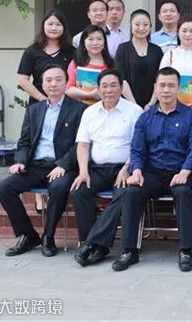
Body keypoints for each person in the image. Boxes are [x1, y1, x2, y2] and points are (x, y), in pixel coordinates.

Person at [82, 67, 192, 272]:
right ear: (155, 88)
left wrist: (185, 171)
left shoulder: (191, 117)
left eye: (171, 85)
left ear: (179, 88)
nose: (166, 90)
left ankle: (185, 250)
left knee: (183, 193)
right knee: (132, 192)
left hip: (180, 173)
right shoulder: (146, 118)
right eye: (162, 85)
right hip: (152, 173)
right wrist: (136, 170)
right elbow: (137, 149)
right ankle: (129, 251)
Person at [0, 65, 86, 257]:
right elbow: (24, 142)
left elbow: (81, 143)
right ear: (42, 85)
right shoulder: (34, 110)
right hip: (36, 166)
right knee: (5, 188)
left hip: (63, 166)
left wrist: (63, 164)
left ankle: (48, 237)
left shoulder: (79, 109)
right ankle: (28, 236)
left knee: (58, 188)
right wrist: (20, 161)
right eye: (48, 80)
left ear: (66, 82)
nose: (53, 84)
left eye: (58, 79)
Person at [70, 69, 142, 255]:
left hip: (124, 168)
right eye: (104, 86)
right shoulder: (89, 112)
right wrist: (83, 172)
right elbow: (83, 145)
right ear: (98, 89)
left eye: (113, 85)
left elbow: (138, 146)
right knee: (79, 191)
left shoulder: (134, 111)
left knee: (125, 193)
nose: (109, 90)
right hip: (97, 169)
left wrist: (127, 168)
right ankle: (93, 244)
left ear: (121, 88)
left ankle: (91, 245)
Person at [17, 9, 75, 105]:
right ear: (43, 26)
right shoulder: (31, 51)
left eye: (58, 24)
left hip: (66, 104)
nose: (54, 28)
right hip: (38, 104)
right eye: (50, 24)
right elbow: (22, 80)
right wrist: (43, 99)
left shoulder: (72, 52)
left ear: (64, 28)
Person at [158, 19, 192, 124]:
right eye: (184, 31)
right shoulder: (170, 54)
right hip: (174, 108)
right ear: (178, 32)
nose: (188, 34)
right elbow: (162, 81)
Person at [67, 25, 136, 105]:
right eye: (90, 39)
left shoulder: (112, 64)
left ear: (104, 42)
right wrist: (90, 95)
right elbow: (68, 89)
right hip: (81, 108)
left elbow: (121, 85)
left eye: (99, 39)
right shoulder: (76, 63)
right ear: (84, 42)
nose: (95, 43)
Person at [114, 10, 164, 109]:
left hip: (153, 105)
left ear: (150, 26)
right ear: (131, 26)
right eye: (137, 24)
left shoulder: (157, 50)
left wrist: (151, 103)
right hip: (127, 104)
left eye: (145, 25)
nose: (141, 28)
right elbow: (121, 79)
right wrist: (134, 105)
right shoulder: (122, 49)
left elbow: (159, 79)